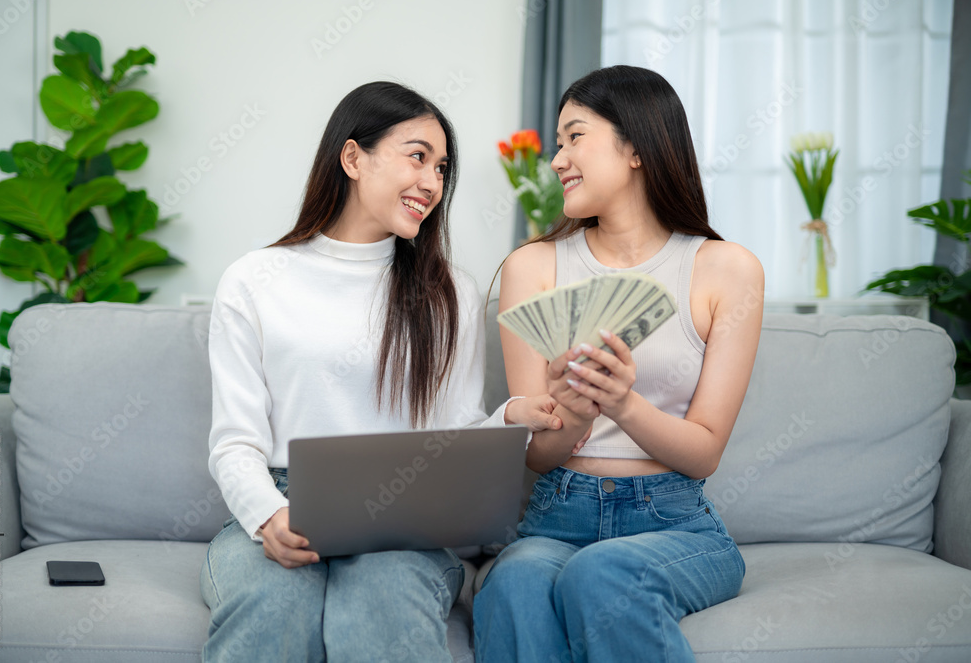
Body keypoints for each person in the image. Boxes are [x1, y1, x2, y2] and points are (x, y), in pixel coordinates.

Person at [199, 81, 560, 662]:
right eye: (417, 156)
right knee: (274, 603)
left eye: (442, 168)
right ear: (352, 158)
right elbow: (235, 440)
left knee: (383, 604)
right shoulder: (254, 279)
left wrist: (510, 419)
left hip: (404, 519)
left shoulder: (452, 294)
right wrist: (269, 514)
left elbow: (452, 434)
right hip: (282, 497)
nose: (432, 182)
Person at [473, 65, 765, 662]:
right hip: (557, 512)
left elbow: (705, 450)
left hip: (674, 523)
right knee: (513, 582)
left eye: (574, 137)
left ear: (635, 146)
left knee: (602, 574)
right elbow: (534, 455)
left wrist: (623, 404)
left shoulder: (726, 270)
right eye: (558, 143)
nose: (556, 160)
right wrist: (575, 415)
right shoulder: (532, 268)